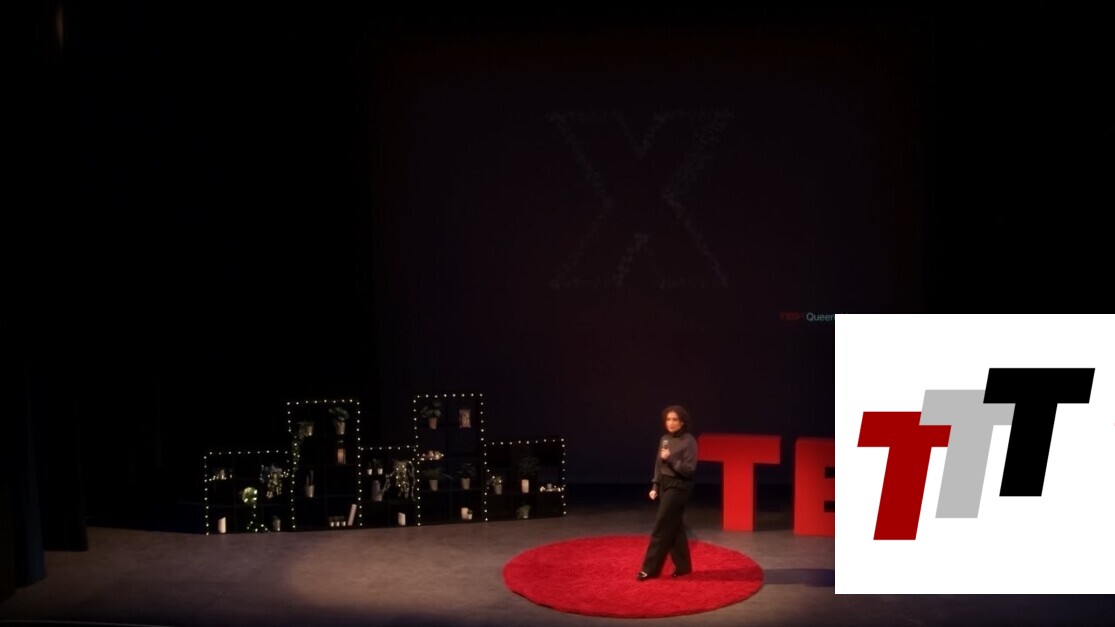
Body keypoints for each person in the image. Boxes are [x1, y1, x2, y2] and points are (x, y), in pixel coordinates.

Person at [637, 404, 698, 581]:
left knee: (661, 526)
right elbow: (659, 464)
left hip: (679, 486)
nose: (670, 423)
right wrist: (655, 486)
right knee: (675, 526)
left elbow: (689, 470)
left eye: (675, 419)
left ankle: (649, 569)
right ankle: (683, 567)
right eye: (668, 419)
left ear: (682, 422)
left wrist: (670, 458)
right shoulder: (665, 439)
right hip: (664, 484)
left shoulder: (689, 441)